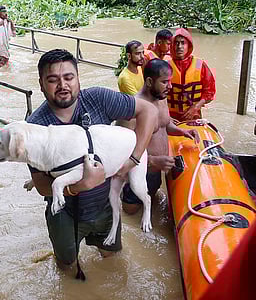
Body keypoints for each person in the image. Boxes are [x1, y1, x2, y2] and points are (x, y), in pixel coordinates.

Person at [26, 49, 157, 272]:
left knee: (113, 260)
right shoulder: (35, 128)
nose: (63, 85)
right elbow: (41, 186)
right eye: (52, 80)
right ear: (41, 84)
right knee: (67, 266)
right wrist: (80, 186)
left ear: (78, 78)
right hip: (65, 213)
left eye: (68, 77)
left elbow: (149, 111)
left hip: (106, 205)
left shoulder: (97, 99)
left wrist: (133, 159)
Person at [118, 59, 200, 215]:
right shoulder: (132, 111)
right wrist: (154, 160)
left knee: (151, 206)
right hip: (137, 176)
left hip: (156, 173)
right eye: (165, 82)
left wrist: (183, 132)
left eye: (170, 81)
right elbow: (121, 154)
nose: (170, 86)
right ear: (149, 81)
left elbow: (165, 125)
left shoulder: (162, 99)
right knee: (130, 213)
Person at [167, 28, 216, 121]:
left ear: (188, 45)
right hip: (170, 117)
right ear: (172, 45)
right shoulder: (166, 66)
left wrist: (196, 107)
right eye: (176, 43)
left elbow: (210, 92)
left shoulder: (201, 65)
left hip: (193, 115)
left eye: (183, 43)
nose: (179, 46)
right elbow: (157, 94)